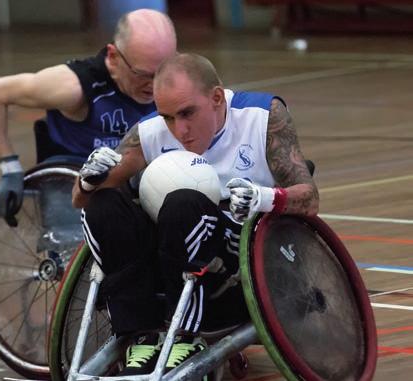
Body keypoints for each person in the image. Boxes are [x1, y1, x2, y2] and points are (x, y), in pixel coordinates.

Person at [72, 53, 319, 375]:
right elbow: (81, 200)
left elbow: (310, 198)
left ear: (216, 98)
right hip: (166, 261)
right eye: (168, 117)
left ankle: (186, 336)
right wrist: (87, 181)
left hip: (240, 262)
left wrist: (264, 197)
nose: (180, 130)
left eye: (188, 113)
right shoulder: (148, 132)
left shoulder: (262, 116)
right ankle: (139, 332)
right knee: (104, 204)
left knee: (183, 204)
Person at [0, 9, 177, 226]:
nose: (154, 84)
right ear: (113, 56)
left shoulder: (175, 81)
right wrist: (10, 169)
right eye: (143, 74)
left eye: (162, 72)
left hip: (132, 177)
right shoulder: (73, 87)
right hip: (72, 181)